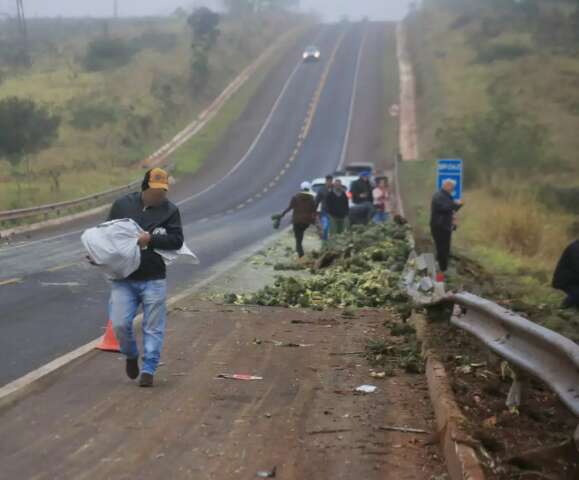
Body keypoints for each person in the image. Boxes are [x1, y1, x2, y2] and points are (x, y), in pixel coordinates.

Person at [107, 168, 184, 388]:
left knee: (154, 326)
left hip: (154, 278)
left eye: (163, 192)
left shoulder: (170, 211)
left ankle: (149, 368)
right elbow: (106, 234)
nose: (159, 196)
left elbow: (177, 240)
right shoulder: (122, 205)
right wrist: (98, 255)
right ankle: (131, 354)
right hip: (124, 278)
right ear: (144, 187)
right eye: (155, 191)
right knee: (120, 324)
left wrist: (151, 240)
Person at [430, 179, 463, 273]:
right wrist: (454, 204)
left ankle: (442, 268)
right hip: (439, 226)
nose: (453, 189)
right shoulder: (438, 196)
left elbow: (451, 210)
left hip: (445, 225)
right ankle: (441, 269)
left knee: (445, 248)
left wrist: (458, 206)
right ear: (447, 186)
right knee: (442, 248)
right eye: (452, 187)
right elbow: (444, 208)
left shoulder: (447, 196)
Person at [280, 181, 317, 258]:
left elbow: (289, 208)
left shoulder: (295, 197)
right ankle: (299, 251)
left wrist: (282, 215)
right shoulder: (311, 199)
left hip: (296, 220)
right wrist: (314, 221)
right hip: (306, 222)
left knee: (298, 237)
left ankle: (300, 253)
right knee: (300, 235)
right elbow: (314, 211)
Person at [553, 239, 579, 309]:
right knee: (577, 294)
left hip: (575, 280)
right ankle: (562, 307)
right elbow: (577, 266)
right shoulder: (575, 248)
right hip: (566, 281)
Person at [315, 175, 333, 243]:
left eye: (330, 181)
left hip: (334, 212)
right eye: (328, 181)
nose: (329, 182)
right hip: (325, 211)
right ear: (326, 181)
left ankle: (331, 241)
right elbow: (317, 201)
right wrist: (314, 211)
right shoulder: (322, 190)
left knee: (332, 228)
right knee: (325, 226)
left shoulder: (334, 189)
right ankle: (324, 240)